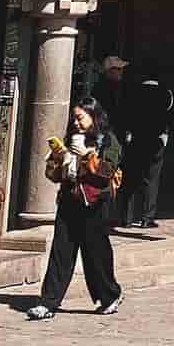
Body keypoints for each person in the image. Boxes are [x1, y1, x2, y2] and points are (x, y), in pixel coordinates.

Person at [26, 100, 124, 320]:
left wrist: (88, 157)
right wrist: (59, 159)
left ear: (94, 116)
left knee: (96, 253)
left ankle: (110, 296)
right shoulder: (70, 140)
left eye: (81, 117)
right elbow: (52, 174)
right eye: (75, 118)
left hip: (95, 204)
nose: (76, 122)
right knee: (61, 251)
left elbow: (107, 171)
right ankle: (48, 302)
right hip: (70, 201)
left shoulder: (108, 140)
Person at [120, 58, 174, 229]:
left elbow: (126, 115)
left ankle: (126, 217)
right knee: (151, 179)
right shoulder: (166, 93)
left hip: (136, 139)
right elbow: (172, 118)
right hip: (156, 140)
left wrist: (128, 134)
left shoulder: (133, 91)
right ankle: (147, 218)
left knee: (131, 178)